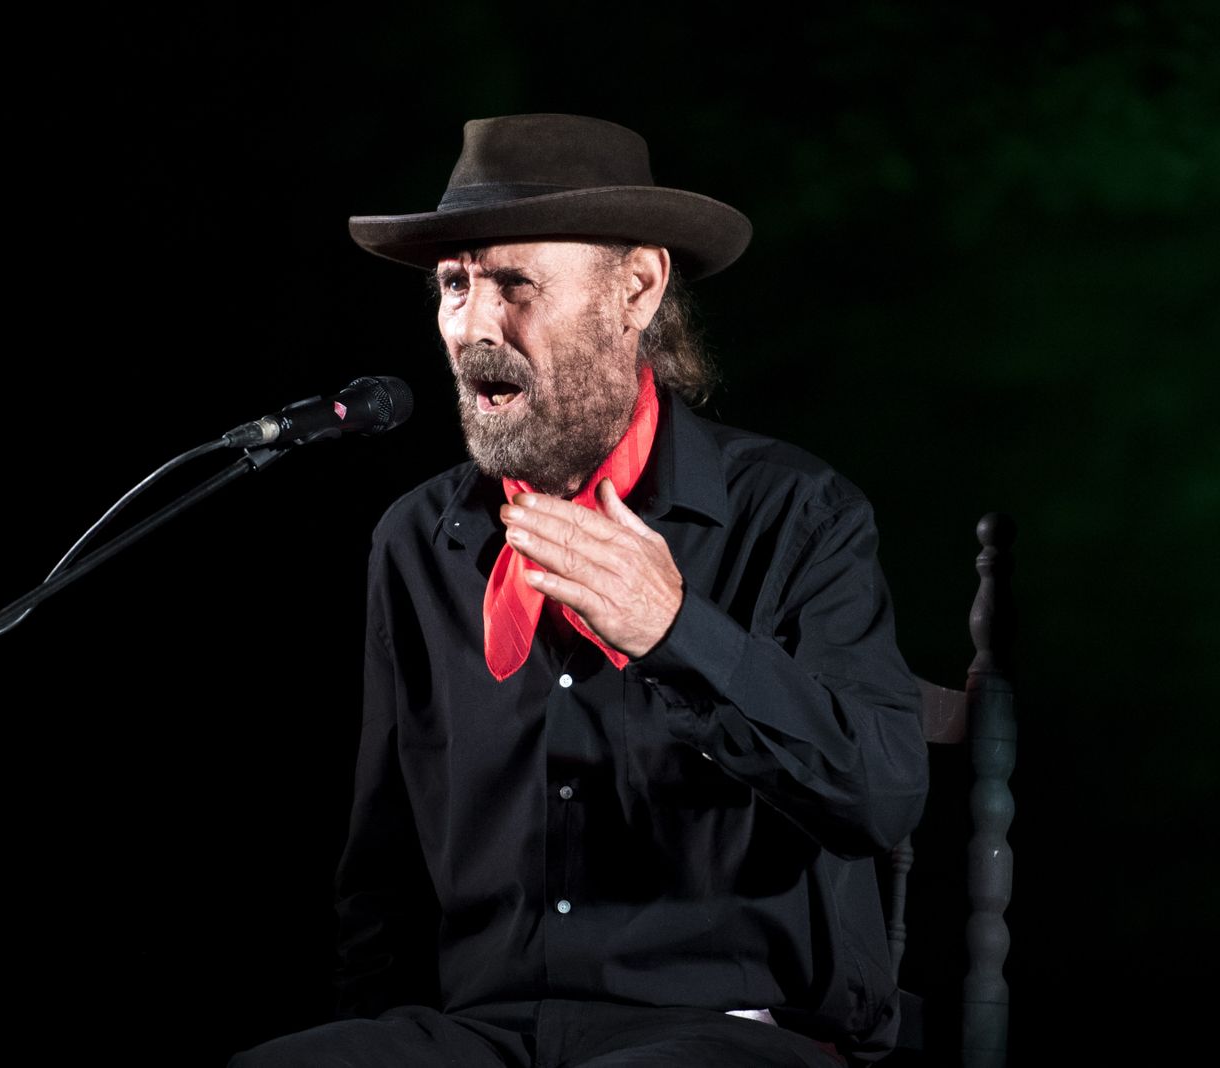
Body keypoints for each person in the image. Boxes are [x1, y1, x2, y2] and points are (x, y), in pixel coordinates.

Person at [234, 114, 929, 1066]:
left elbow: (881, 796)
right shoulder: (418, 542)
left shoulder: (797, 514)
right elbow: (381, 869)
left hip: (723, 1033)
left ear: (636, 288)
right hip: (484, 1034)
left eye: (516, 284)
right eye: (455, 285)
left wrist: (677, 629)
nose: (476, 326)